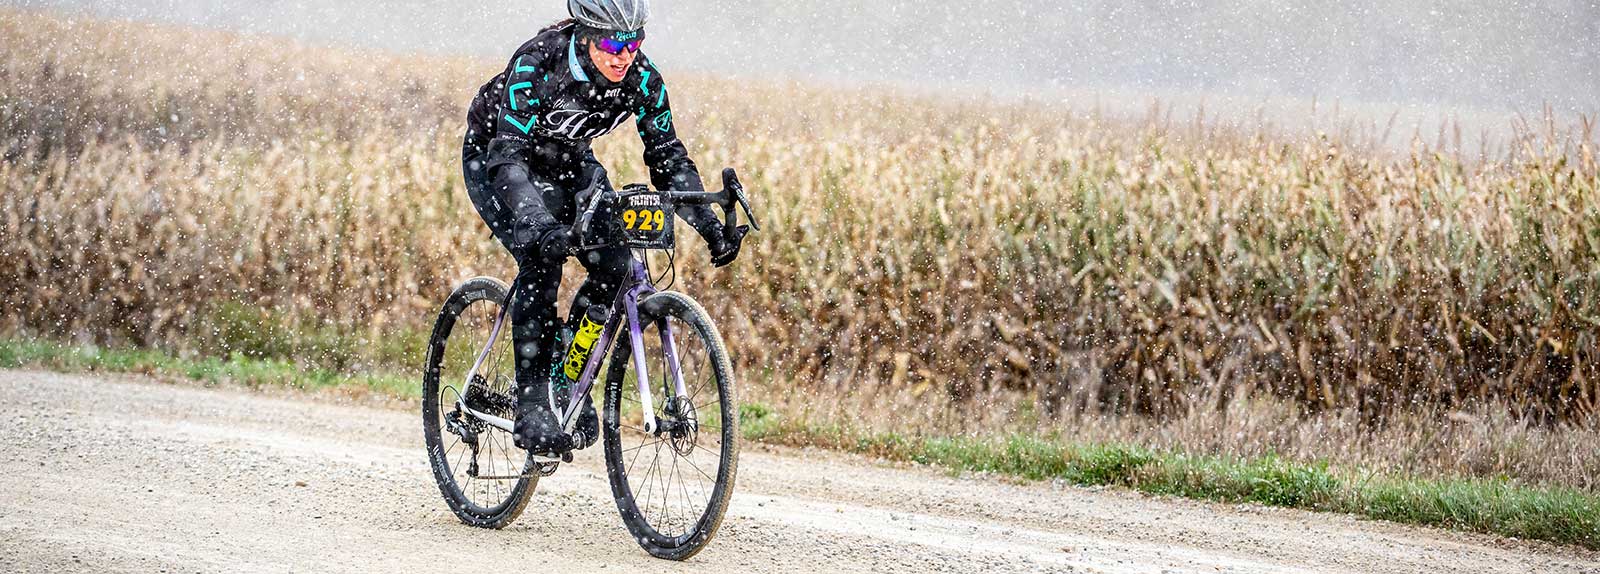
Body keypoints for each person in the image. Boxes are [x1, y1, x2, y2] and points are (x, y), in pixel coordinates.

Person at [461, 0, 743, 456]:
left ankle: (565, 378)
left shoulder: (642, 78)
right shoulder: (538, 61)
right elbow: (508, 158)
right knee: (542, 261)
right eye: (612, 42)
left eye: (633, 43)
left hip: (570, 161)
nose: (623, 54)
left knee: (614, 266)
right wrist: (540, 226)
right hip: (498, 159)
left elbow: (668, 158)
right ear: (586, 35)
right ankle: (533, 405)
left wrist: (709, 225)